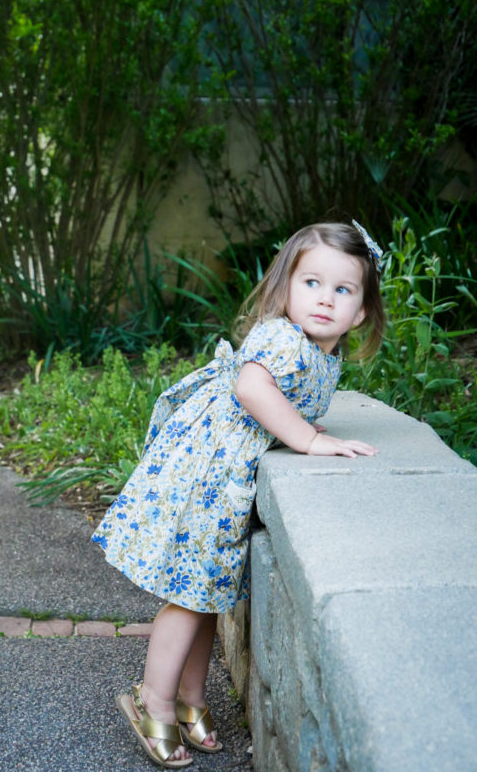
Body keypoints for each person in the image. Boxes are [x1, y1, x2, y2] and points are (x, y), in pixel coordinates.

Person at [92, 220, 385, 768]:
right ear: (286, 288)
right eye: (312, 284)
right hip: (207, 472)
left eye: (343, 290)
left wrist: (300, 424)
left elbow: (281, 397)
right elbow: (251, 387)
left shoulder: (323, 352)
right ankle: (150, 699)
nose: (325, 300)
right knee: (189, 593)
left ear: (362, 310)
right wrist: (305, 438)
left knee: (207, 593)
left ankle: (189, 698)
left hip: (228, 477)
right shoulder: (280, 335)